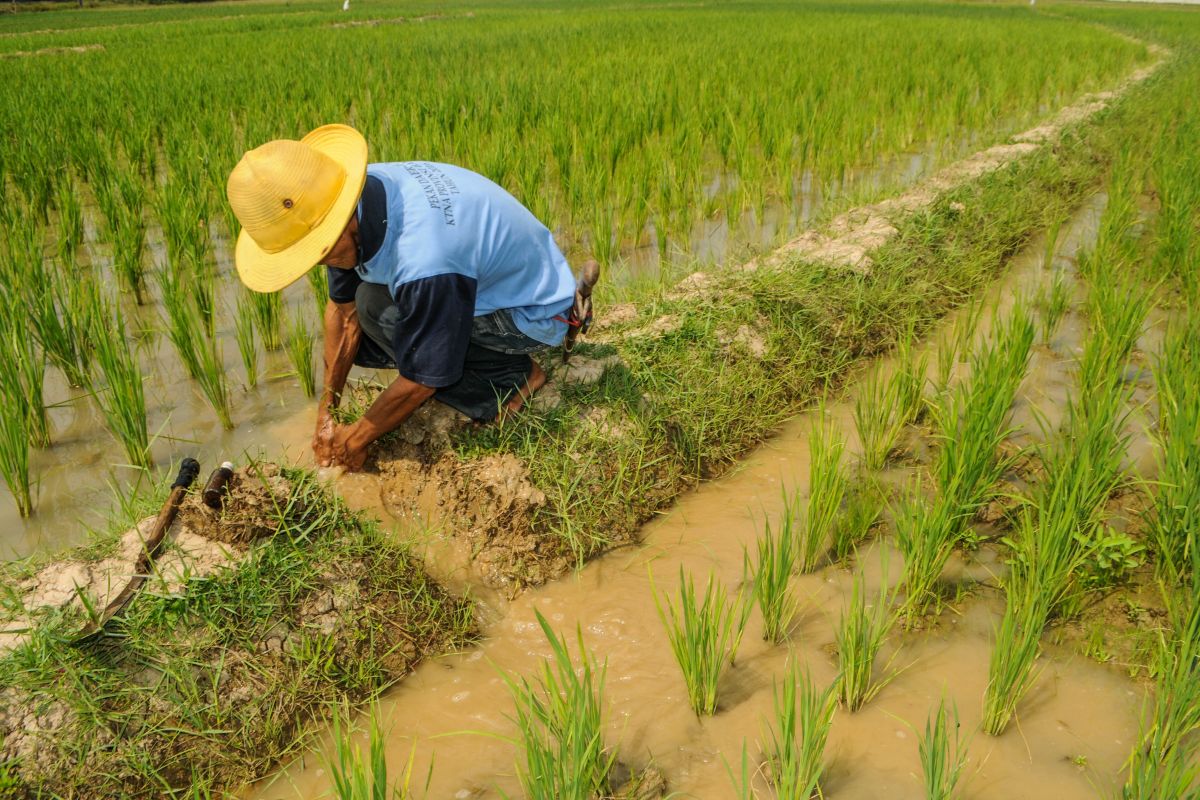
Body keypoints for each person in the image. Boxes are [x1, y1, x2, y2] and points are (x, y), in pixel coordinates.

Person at [225, 124, 579, 471]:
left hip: (531, 313)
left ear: (340, 226)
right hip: (472, 282)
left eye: (318, 253)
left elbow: (423, 377)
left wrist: (356, 440)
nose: (317, 262)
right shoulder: (341, 201)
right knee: (365, 319)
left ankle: (515, 379)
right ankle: (470, 361)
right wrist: (326, 410)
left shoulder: (425, 256)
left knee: (392, 326)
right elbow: (343, 314)